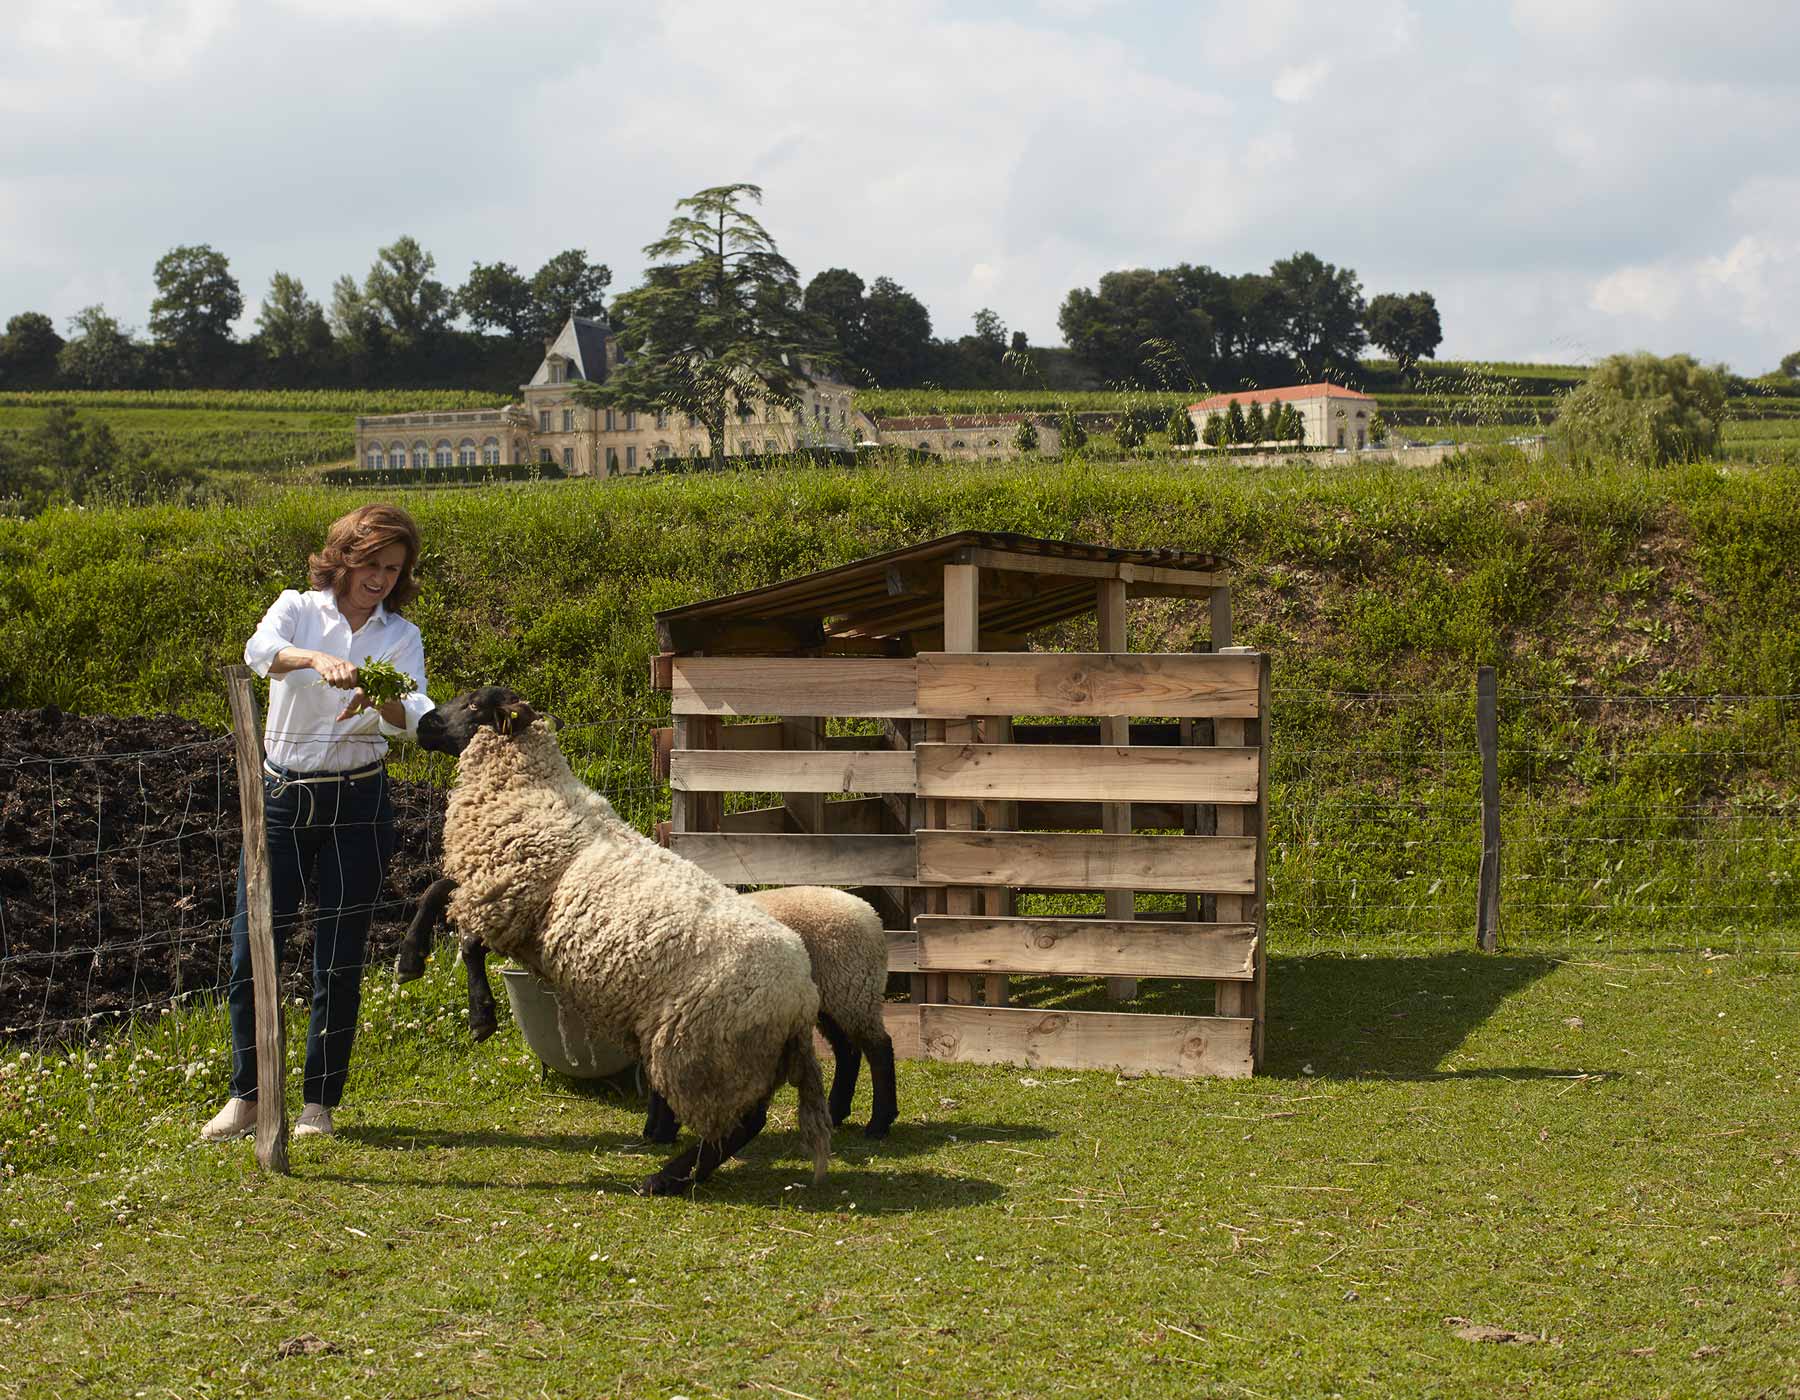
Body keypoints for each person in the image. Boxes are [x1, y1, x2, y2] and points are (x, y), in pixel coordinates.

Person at [202, 504, 433, 1142]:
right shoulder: (298, 608)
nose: (381, 578)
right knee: (254, 947)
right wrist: (312, 660)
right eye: (371, 563)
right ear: (345, 558)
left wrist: (377, 689)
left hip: (358, 803)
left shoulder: (399, 636)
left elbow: (411, 712)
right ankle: (247, 1096)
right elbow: (260, 652)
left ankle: (317, 1105)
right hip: (282, 800)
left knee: (338, 958)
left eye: (393, 567)